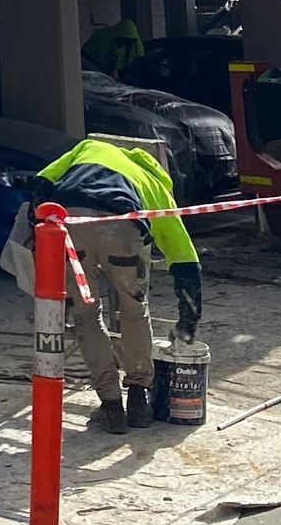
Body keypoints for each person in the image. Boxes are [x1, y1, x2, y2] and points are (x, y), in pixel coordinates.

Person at [29, 133, 202, 434]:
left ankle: (110, 406)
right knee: (135, 309)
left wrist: (37, 229)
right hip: (123, 227)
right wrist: (190, 314)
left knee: (86, 314)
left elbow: (42, 181)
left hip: (72, 222)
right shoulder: (152, 184)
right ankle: (138, 398)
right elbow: (182, 252)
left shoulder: (87, 147)